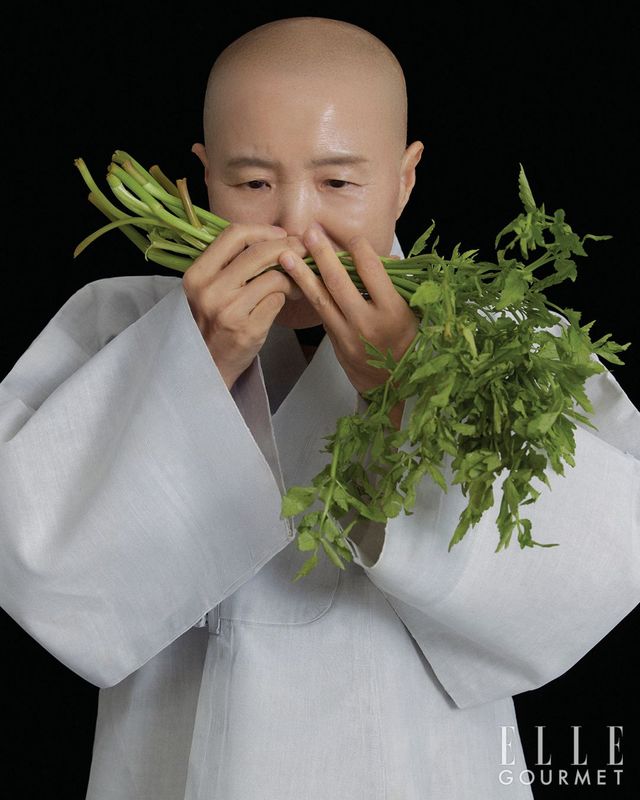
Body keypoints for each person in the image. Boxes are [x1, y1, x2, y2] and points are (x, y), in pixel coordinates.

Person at [0, 15, 638, 800]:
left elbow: (596, 564)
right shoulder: (118, 324)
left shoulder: (504, 341)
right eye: (252, 184)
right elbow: (38, 568)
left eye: (338, 183)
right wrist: (192, 363)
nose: (297, 225)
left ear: (405, 178)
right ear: (203, 176)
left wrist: (409, 390)